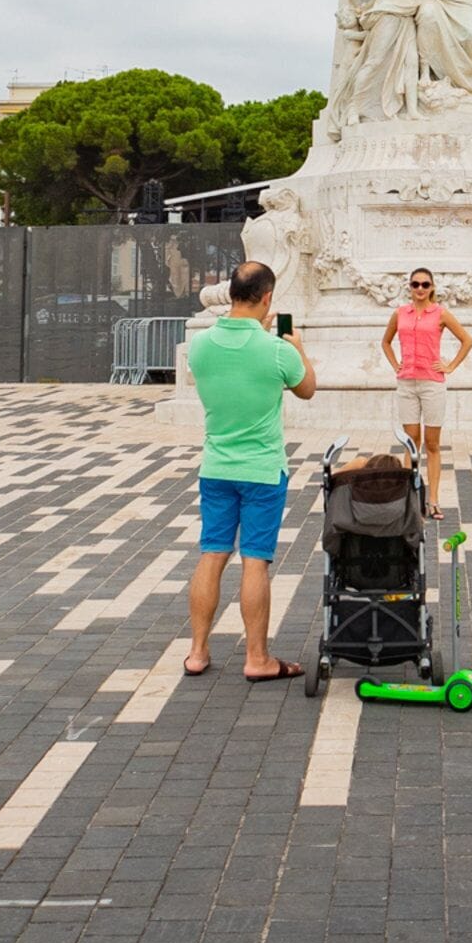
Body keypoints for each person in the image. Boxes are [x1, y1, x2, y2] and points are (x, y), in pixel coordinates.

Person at [184, 259, 316, 683]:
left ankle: (198, 651)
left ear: (230, 294)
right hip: (261, 468)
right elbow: (307, 389)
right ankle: (257, 657)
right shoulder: (275, 349)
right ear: (267, 298)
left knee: (212, 553)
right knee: (255, 561)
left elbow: (222, 371)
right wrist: (296, 346)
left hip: (216, 465)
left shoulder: (201, 346)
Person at [379, 267, 472, 517]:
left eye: (424, 284)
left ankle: (433, 499)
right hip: (407, 384)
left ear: (432, 288)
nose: (419, 289)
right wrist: (395, 364)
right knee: (411, 444)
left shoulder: (441, 314)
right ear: (409, 287)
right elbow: (386, 342)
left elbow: (467, 340)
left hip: (432, 383)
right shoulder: (400, 314)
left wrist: (450, 366)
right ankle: (410, 498)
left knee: (432, 444)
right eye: (415, 284)